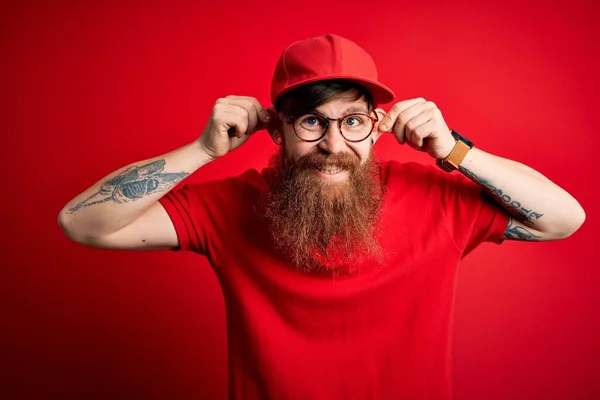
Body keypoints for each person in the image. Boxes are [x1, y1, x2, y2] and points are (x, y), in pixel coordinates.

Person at [58, 34, 586, 399]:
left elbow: (564, 218)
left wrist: (454, 150)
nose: (333, 144)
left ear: (378, 126)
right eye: (311, 121)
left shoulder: (435, 198)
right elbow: (83, 223)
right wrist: (202, 150)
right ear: (276, 129)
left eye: (352, 121)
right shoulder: (228, 207)